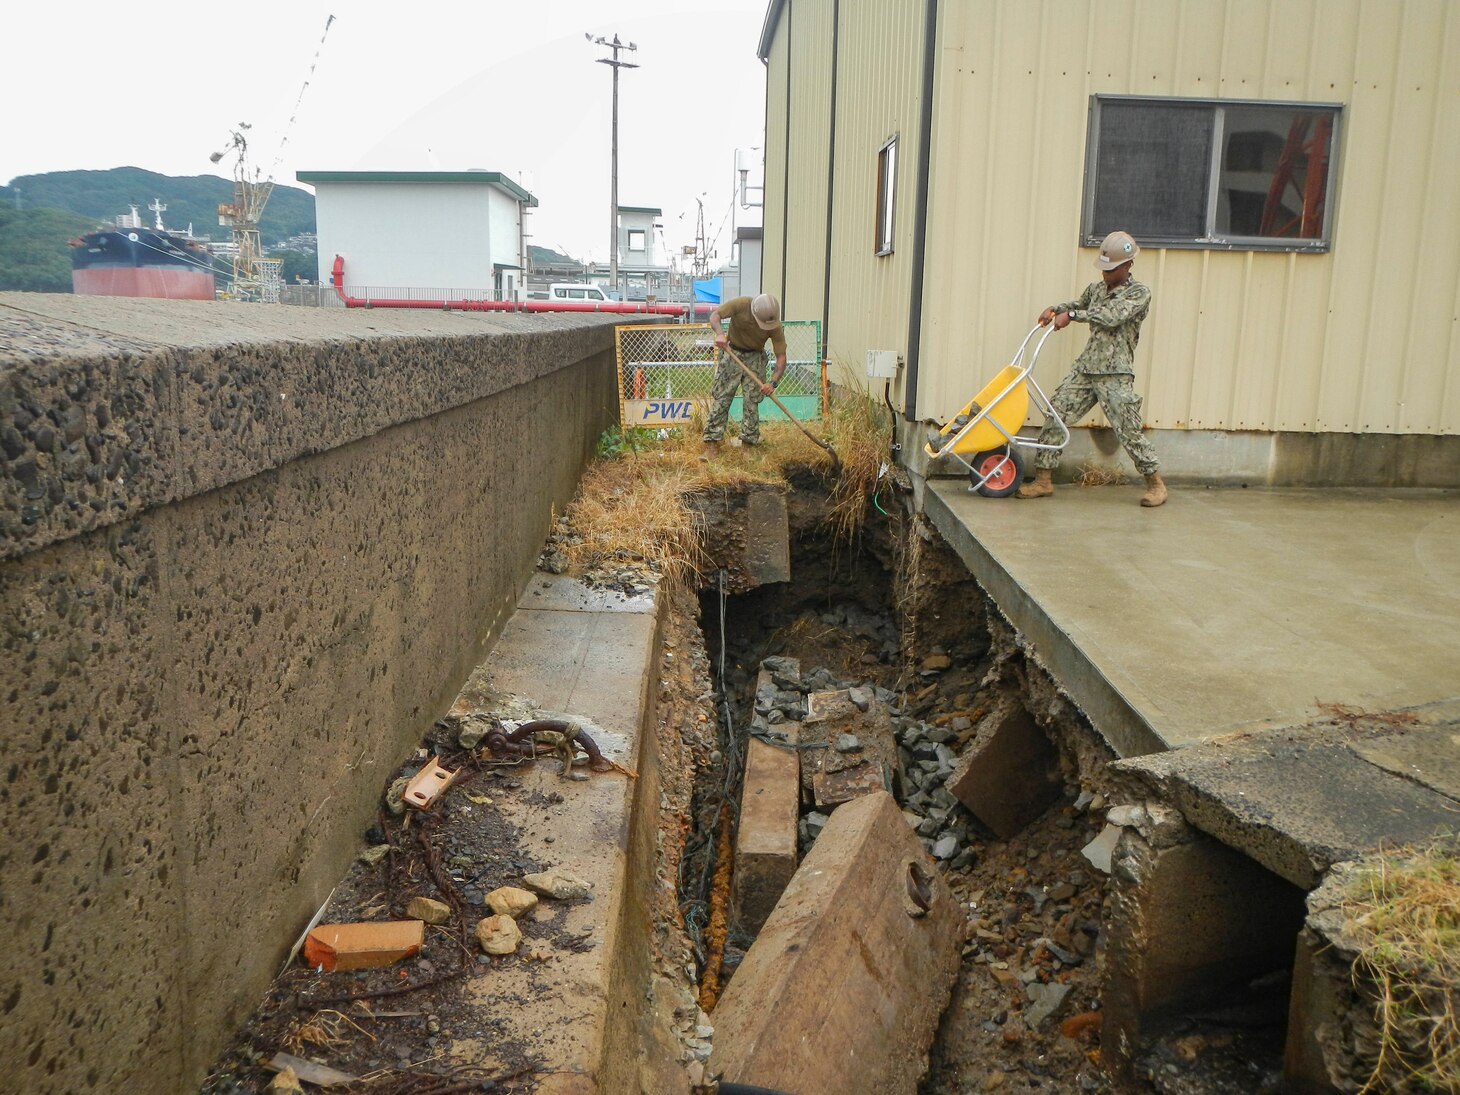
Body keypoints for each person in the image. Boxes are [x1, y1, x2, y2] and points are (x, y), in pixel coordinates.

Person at [1018, 230, 1167, 507]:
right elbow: (1078, 304)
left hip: (1116, 374)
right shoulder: (1096, 289)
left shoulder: (1138, 293)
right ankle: (1043, 480)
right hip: (1086, 369)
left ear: (1127, 266)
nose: (1105, 275)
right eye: (1104, 269)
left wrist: (1072, 316)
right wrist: (1056, 308)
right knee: (1057, 413)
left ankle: (1156, 484)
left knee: (1128, 430)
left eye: (1111, 270)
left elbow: (1111, 317)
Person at [703, 294, 788, 449]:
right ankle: (712, 444)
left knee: (751, 402)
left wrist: (773, 383)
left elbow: (781, 356)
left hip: (755, 358)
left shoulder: (774, 325)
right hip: (732, 353)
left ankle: (748, 445)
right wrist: (720, 334)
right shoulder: (741, 304)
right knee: (722, 399)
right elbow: (715, 315)